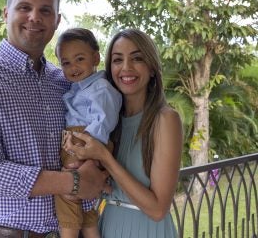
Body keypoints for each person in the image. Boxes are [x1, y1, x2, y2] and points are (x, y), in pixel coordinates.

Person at [0, 0, 110, 238]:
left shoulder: (65, 81)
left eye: (45, 10)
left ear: (56, 21)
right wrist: (75, 182)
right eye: (24, 7)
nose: (34, 17)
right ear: (5, 13)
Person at [64, 29, 183, 238]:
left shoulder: (165, 119)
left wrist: (104, 157)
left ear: (152, 68)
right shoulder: (109, 120)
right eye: (118, 60)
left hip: (146, 229)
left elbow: (158, 210)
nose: (126, 68)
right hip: (107, 225)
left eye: (137, 58)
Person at [54, 28, 122, 238]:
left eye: (79, 59)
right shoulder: (78, 88)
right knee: (85, 203)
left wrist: (86, 155)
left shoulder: (100, 88)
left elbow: (104, 120)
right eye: (66, 63)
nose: (73, 67)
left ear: (96, 57)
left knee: (67, 194)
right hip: (79, 141)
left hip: (86, 142)